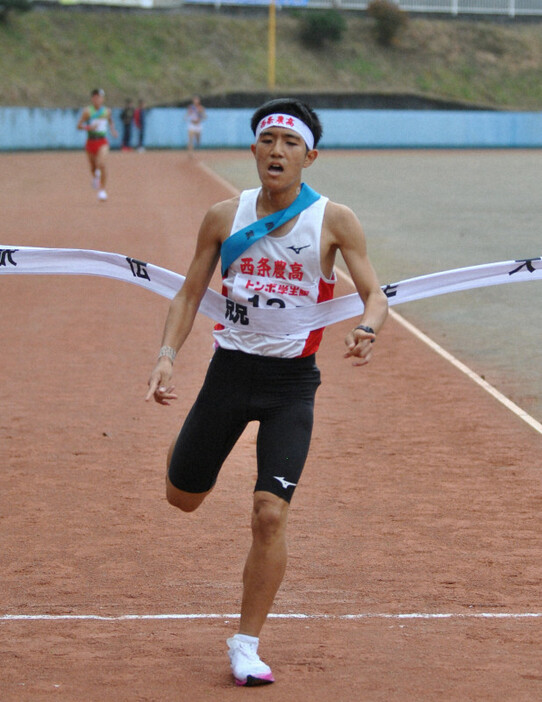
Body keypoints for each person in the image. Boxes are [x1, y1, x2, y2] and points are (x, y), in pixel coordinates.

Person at [146, 98, 388, 687]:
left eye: (289, 142)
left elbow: (375, 295)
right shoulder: (223, 216)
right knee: (183, 497)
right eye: (267, 140)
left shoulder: (334, 219)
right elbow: (186, 294)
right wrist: (167, 354)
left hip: (291, 388)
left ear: (310, 154)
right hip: (228, 375)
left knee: (269, 514)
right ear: (254, 149)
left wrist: (366, 328)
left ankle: (246, 644)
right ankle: (192, 464)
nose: (277, 151)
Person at [77, 88, 118, 202]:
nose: (98, 99)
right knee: (93, 167)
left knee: (102, 164)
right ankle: (96, 177)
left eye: (100, 97)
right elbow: (79, 126)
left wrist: (113, 130)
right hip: (90, 142)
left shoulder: (106, 111)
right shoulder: (87, 111)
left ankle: (102, 190)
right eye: (96, 97)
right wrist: (89, 127)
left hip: (102, 141)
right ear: (92, 98)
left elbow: (110, 120)